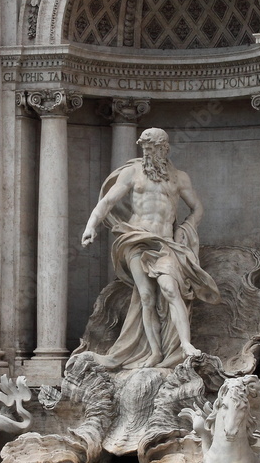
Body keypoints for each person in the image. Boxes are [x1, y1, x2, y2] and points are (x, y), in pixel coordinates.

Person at [80, 127, 221, 369]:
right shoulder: (132, 173)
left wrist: (185, 227)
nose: (147, 153)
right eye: (144, 149)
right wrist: (90, 226)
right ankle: (155, 352)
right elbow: (108, 201)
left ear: (164, 149)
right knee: (146, 296)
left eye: (152, 148)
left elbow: (197, 208)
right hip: (136, 239)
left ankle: (185, 344)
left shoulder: (179, 178)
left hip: (165, 243)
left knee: (170, 288)